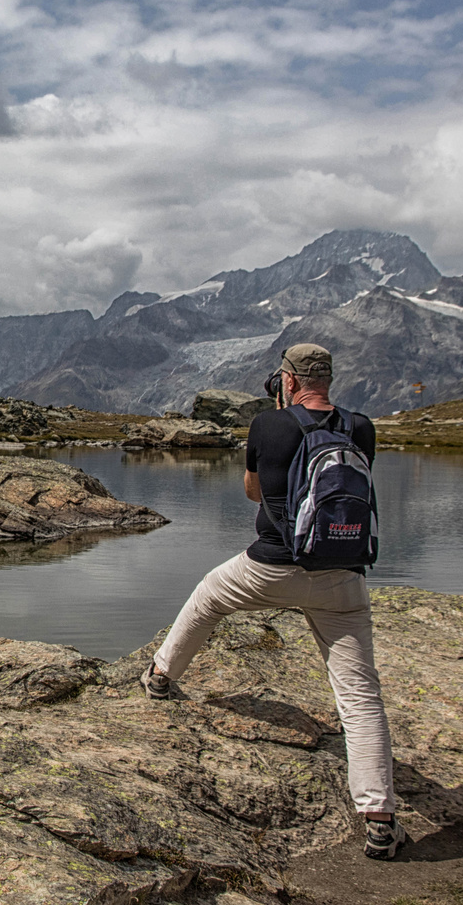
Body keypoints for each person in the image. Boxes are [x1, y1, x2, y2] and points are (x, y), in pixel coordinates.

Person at [138, 343, 409, 861]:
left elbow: (253, 492)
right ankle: (378, 816)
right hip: (341, 575)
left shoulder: (269, 426)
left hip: (270, 566)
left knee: (207, 599)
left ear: (287, 381)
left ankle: (160, 677)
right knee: (359, 694)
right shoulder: (362, 428)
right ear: (328, 378)